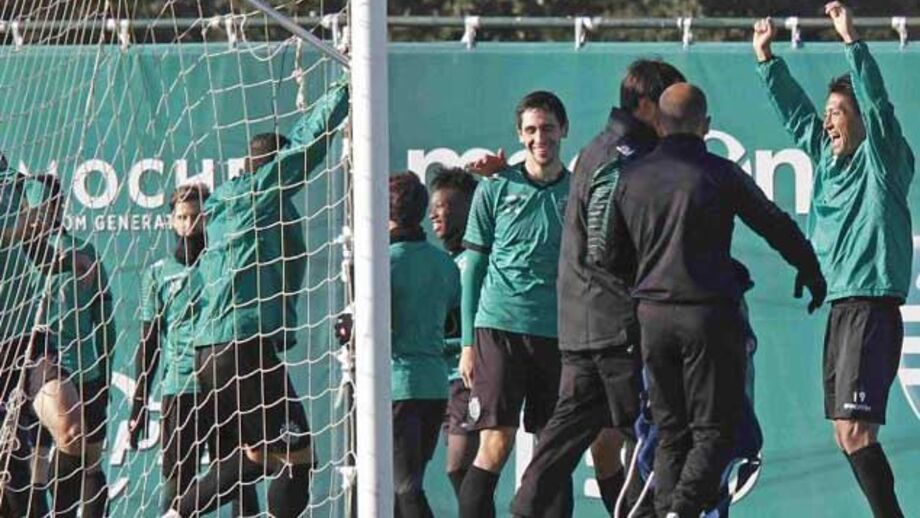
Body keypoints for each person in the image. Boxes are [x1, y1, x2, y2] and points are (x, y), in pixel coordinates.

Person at [609, 82, 826, 518]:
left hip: (652, 315)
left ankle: (673, 507)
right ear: (704, 125)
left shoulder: (631, 177)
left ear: (660, 123)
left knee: (670, 433)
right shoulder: (717, 172)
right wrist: (809, 266)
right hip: (707, 314)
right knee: (716, 432)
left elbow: (610, 255)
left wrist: (647, 284)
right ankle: (681, 510)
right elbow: (771, 221)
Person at [753, 4, 912, 516]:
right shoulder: (826, 160)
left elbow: (881, 107)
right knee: (845, 436)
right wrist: (768, 61)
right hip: (842, 309)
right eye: (829, 115)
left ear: (861, 121)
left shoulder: (881, 161)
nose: (828, 123)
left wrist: (852, 42)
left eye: (838, 114)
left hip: (871, 306)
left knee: (857, 430)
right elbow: (800, 117)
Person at [509, 59, 685, 518]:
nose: (675, 117)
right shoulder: (624, 153)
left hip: (584, 326)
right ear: (646, 105)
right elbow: (607, 245)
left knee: (559, 449)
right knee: (655, 438)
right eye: (669, 104)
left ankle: (524, 510)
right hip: (614, 329)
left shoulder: (600, 148)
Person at [170, 79, 349, 518]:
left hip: (217, 352)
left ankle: (176, 513)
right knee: (298, 455)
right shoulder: (259, 193)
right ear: (270, 168)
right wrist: (349, 87)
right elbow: (308, 144)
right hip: (241, 349)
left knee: (258, 456)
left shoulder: (227, 203)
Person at [457, 91, 571, 518]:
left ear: (564, 130)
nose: (540, 138)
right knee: (496, 443)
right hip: (499, 329)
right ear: (519, 136)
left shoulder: (578, 192)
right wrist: (468, 343)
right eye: (531, 130)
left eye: (547, 128)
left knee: (553, 451)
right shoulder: (496, 187)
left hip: (558, 335)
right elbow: (472, 268)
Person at [129, 183, 259, 515]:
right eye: (183, 217)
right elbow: (149, 342)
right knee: (178, 482)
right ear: (172, 221)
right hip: (181, 388)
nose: (190, 225)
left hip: (224, 385)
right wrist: (139, 402)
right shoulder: (157, 274)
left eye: (197, 217)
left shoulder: (223, 264)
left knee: (238, 477)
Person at [19, 173, 115, 518]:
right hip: (32, 371)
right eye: (33, 207)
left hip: (79, 370)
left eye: (44, 206)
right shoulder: (17, 259)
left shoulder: (81, 252)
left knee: (80, 462)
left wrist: (104, 370)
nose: (38, 215)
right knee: (39, 465)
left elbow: (104, 319)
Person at [388, 172, 460, 517]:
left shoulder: (380, 265)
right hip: (433, 387)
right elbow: (452, 320)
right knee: (400, 487)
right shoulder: (445, 264)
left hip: (397, 386)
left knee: (405, 488)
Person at [427, 167, 482, 502]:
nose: (433, 213)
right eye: (432, 205)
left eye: (443, 205)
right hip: (434, 380)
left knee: (458, 467)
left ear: (466, 210)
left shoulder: (475, 262)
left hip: (466, 378)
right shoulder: (440, 262)